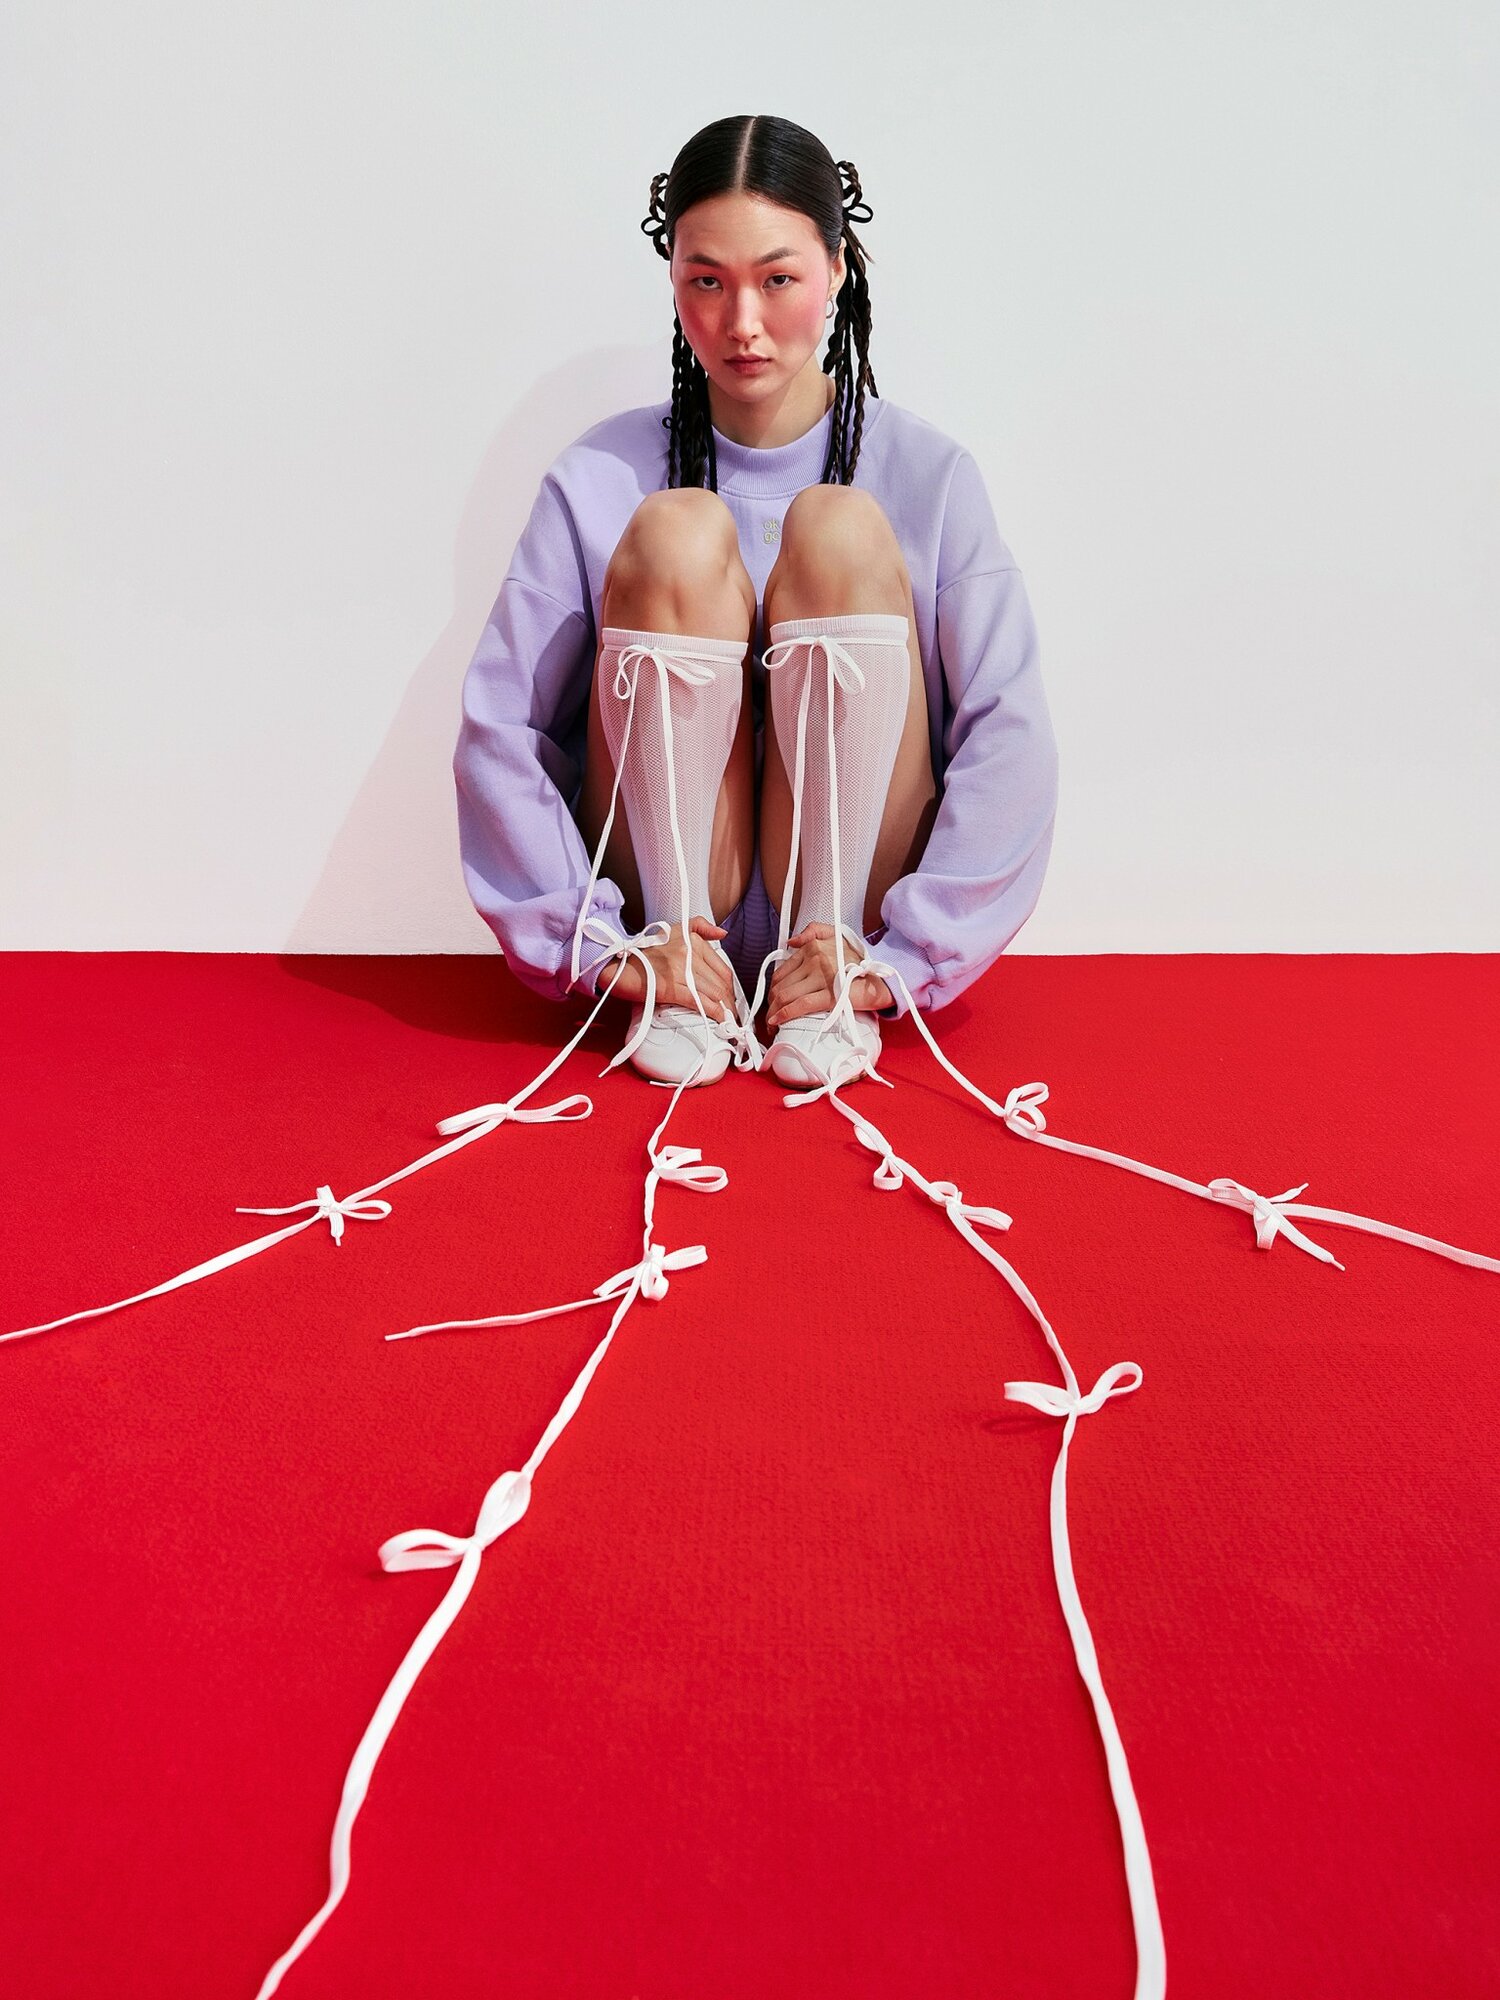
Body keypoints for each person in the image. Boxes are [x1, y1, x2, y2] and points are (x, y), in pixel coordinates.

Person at [455, 113, 1060, 1089]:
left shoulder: (932, 474)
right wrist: (590, 944)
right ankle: (678, 976)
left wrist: (909, 959)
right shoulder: (597, 475)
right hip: (659, 899)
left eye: (777, 279)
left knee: (840, 527)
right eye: (707, 280)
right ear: (674, 280)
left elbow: (1010, 731)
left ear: (836, 268)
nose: (741, 322)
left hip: (858, 906)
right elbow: (501, 725)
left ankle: (829, 973)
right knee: (675, 529)